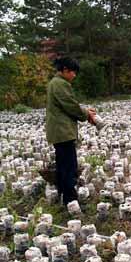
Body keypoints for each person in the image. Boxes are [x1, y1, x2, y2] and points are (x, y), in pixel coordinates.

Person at [45, 57, 96, 205]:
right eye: (73, 72)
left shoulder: (55, 83)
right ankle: (70, 199)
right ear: (65, 70)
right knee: (69, 167)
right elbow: (70, 105)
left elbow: (68, 105)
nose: (74, 75)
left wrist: (86, 111)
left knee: (62, 165)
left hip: (59, 131)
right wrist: (87, 114)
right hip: (63, 132)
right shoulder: (60, 84)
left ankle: (63, 196)